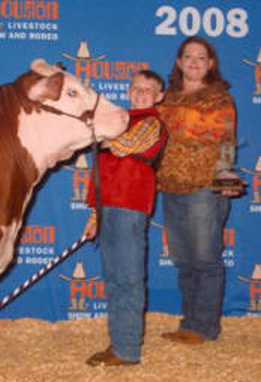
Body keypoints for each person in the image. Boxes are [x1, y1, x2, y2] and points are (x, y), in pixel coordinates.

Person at [157, 36, 243, 345]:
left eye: (201, 57)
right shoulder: (165, 99)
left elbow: (226, 142)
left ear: (211, 64)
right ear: (179, 62)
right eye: (188, 56)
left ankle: (204, 327)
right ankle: (189, 323)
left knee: (205, 259)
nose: (194, 62)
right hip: (169, 186)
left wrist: (224, 178)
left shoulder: (219, 99)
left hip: (205, 187)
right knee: (183, 260)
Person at [82, 70, 167, 366]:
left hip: (130, 207)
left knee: (128, 278)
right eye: (136, 88)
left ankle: (128, 349)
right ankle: (119, 341)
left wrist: (97, 132)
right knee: (116, 278)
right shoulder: (120, 119)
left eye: (148, 89)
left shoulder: (151, 122)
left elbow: (123, 146)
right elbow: (100, 175)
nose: (141, 93)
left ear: (159, 96)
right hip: (108, 208)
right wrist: (93, 216)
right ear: (128, 91)